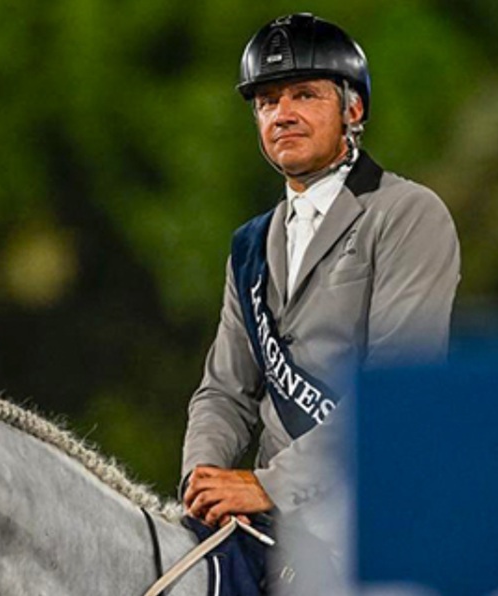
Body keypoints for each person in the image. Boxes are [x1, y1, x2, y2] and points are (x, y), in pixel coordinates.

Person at [180, 12, 460, 591]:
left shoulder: (407, 214)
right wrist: (203, 484)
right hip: (269, 530)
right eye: (266, 101)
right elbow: (224, 391)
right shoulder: (250, 245)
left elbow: (397, 392)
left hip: (380, 523)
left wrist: (267, 485)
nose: (281, 114)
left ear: (352, 110)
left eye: (304, 95)